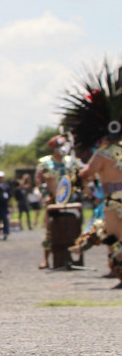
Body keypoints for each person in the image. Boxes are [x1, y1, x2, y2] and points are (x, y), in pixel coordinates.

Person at [60, 60, 122, 288]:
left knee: (115, 237)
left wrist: (75, 175)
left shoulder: (103, 154)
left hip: (114, 201)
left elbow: (87, 173)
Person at [35, 135, 79, 269]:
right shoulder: (46, 163)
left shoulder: (70, 162)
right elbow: (39, 180)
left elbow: (78, 178)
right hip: (52, 201)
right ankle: (45, 259)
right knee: (50, 230)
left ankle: (71, 257)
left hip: (69, 200)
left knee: (71, 229)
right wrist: (45, 195)